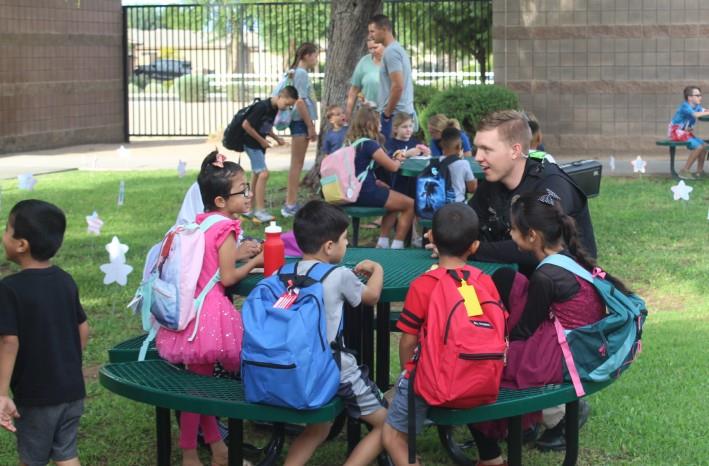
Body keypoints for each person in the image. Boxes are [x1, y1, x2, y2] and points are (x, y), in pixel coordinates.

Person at [468, 190, 629, 462]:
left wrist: (496, 339)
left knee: (479, 365)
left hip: (560, 351)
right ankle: (526, 424)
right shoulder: (568, 257)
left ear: (532, 235)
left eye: (513, 230)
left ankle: (493, 451)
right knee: (508, 277)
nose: (510, 234)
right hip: (566, 335)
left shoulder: (546, 276)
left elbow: (524, 331)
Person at [156, 151, 263, 466]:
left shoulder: (203, 222)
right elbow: (228, 277)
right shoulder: (226, 229)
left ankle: (219, 451)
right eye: (242, 190)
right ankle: (189, 453)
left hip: (193, 313)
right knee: (196, 392)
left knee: (202, 387)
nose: (247, 194)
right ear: (220, 200)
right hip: (209, 316)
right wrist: (255, 262)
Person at [381, 203, 499, 466]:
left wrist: (406, 373)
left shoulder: (424, 285)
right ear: (475, 246)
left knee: (392, 436)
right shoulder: (484, 281)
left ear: (431, 237)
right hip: (480, 376)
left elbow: (409, 340)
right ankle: (492, 459)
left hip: (431, 379)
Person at [284, 200, 387, 466]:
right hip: (335, 368)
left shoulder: (286, 271)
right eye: (344, 239)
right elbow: (372, 296)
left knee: (318, 427)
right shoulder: (339, 274)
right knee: (390, 424)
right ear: (329, 246)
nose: (347, 244)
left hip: (298, 366)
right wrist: (377, 269)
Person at [0, 200, 90, 466]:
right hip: (71, 390)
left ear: (21, 244)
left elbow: (8, 341)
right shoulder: (64, 279)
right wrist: (69, 366)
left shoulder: (9, 289)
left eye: (7, 228)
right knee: (66, 452)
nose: (3, 234)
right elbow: (82, 328)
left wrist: (2, 393)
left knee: (32, 458)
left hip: (37, 396)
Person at [469, 110, 597, 276]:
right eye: (476, 148)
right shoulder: (493, 183)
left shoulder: (552, 184)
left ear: (515, 150)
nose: (477, 157)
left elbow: (537, 246)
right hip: (518, 281)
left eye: (486, 149)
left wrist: (474, 248)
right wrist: (448, 234)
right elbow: (469, 218)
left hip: (566, 290)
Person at [347, 106, 415, 249]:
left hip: (352, 190)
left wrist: (376, 180)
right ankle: (398, 245)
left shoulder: (351, 142)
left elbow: (359, 167)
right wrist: (399, 156)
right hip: (365, 193)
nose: (381, 125)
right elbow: (393, 167)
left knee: (394, 198)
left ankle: (382, 242)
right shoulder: (370, 144)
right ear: (371, 123)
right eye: (378, 122)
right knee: (410, 204)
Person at [239, 85, 298, 223]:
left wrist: (276, 138)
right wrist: (261, 140)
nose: (286, 107)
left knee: (256, 174)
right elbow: (246, 125)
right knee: (264, 174)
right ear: (281, 96)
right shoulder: (262, 107)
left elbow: (265, 126)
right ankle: (260, 211)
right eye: (287, 103)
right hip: (251, 143)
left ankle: (248, 208)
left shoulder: (274, 108)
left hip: (258, 145)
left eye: (290, 106)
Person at [275, 42, 320, 217]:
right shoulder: (300, 73)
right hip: (300, 122)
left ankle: (291, 203)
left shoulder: (297, 72)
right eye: (315, 55)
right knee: (297, 164)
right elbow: (300, 101)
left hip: (301, 122)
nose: (316, 59)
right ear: (307, 55)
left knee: (297, 164)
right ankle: (290, 205)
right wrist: (310, 126)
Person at [368, 14, 416, 139]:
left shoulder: (391, 52)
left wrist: (387, 113)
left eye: (372, 31)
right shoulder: (396, 49)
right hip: (401, 113)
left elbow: (398, 86)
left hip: (396, 115)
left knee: (393, 156)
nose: (370, 35)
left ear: (384, 29)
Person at [667, 85, 709, 179]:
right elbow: (695, 114)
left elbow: (704, 110)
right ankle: (684, 171)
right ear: (690, 97)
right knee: (698, 147)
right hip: (676, 131)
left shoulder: (697, 106)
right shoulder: (685, 106)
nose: (700, 97)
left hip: (684, 132)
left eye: (700, 95)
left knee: (704, 146)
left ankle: (699, 171)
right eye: (697, 95)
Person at [345, 39, 384, 120]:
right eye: (370, 48)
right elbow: (354, 89)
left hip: (389, 114)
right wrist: (348, 115)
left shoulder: (394, 61)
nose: (373, 51)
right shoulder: (364, 61)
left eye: (375, 47)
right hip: (368, 115)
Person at [437, 126, 477, 202]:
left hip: (439, 206)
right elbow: (472, 189)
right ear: (459, 146)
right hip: (459, 205)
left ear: (441, 145)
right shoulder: (464, 164)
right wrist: (475, 178)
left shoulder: (436, 162)